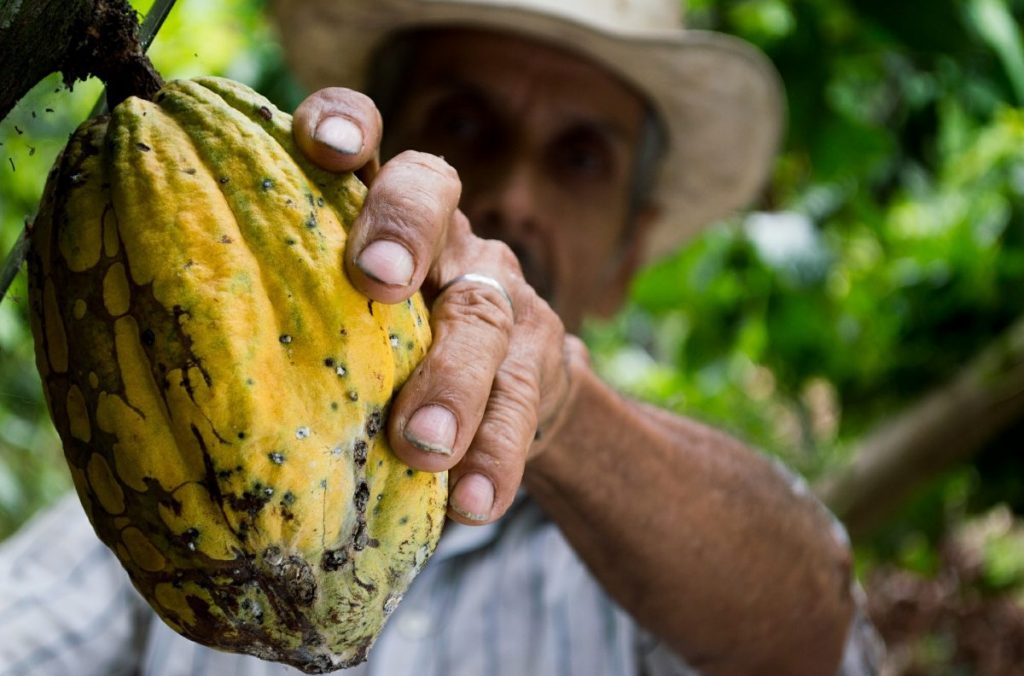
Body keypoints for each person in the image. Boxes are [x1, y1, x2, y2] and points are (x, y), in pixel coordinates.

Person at [0, 0, 884, 674]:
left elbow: (813, 624)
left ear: (629, 254)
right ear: (360, 155)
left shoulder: (654, 570)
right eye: (463, 125)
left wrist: (561, 410)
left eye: (580, 157)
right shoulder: (155, 475)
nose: (513, 195)